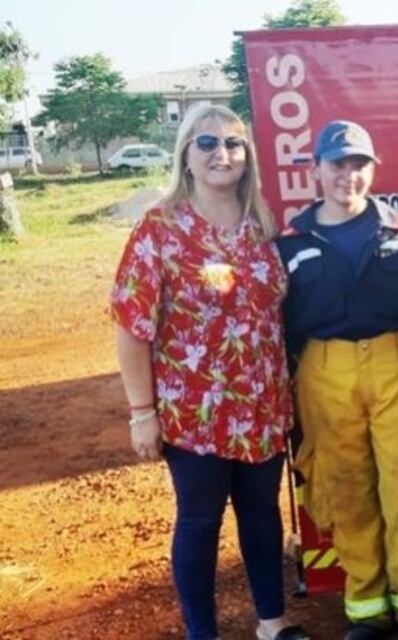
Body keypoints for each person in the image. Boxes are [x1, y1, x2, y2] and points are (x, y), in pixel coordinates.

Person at [111, 104, 309, 640]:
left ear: (247, 158)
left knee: (262, 516)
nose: (222, 154)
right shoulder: (160, 229)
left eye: (233, 144)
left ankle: (272, 622)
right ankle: (204, 633)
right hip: (193, 414)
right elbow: (131, 327)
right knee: (200, 524)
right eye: (208, 144)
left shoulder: (265, 228)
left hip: (263, 406)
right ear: (186, 156)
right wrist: (141, 413)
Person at [276, 120, 398, 640]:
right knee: (347, 486)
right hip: (325, 371)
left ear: (373, 170)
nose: (348, 175)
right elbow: (274, 320)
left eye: (358, 165)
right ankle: (367, 605)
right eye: (337, 165)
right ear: (316, 172)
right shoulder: (289, 241)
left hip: (397, 362)